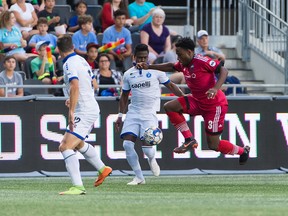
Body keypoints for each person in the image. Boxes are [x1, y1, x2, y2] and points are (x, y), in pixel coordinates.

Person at [136, 37, 250, 165]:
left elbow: (224, 70)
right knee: (170, 107)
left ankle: (242, 151)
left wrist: (215, 88)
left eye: (179, 54)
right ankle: (189, 139)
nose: (178, 58)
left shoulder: (202, 61)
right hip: (196, 100)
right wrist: (149, 66)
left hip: (214, 105)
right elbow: (170, 66)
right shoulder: (184, 64)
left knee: (213, 144)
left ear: (189, 52)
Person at [115, 43, 185, 185]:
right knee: (127, 145)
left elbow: (170, 85)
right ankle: (139, 177)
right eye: (139, 58)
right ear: (134, 57)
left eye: (145, 58)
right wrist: (120, 116)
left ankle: (152, 159)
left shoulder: (156, 71)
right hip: (133, 112)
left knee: (147, 149)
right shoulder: (128, 74)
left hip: (149, 113)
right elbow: (124, 96)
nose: (142, 61)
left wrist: (185, 99)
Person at [57, 34, 112, 195]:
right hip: (89, 105)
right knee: (78, 143)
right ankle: (103, 168)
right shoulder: (82, 60)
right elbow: (92, 84)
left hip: (84, 110)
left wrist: (72, 110)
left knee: (65, 146)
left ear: (59, 51)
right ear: (73, 47)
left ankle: (77, 186)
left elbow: (75, 85)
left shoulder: (69, 63)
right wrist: (74, 99)